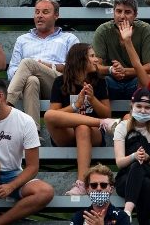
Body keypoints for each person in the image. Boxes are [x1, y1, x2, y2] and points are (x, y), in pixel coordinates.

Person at [0, 78, 55, 225]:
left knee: (45, 192)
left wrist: (11, 186)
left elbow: (33, 167)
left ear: (0, 97)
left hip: (11, 175)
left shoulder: (25, 120)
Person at [43, 43, 113, 195]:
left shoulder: (99, 81)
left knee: (82, 127)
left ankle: (81, 184)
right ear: (81, 59)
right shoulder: (60, 82)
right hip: (66, 134)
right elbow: (54, 116)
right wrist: (76, 105)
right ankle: (102, 124)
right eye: (92, 56)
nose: (96, 60)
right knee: (48, 115)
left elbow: (107, 112)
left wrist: (93, 99)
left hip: (92, 134)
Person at [6, 0, 80, 123]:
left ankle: (7, 104)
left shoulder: (69, 39)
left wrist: (49, 66)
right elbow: (11, 71)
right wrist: (26, 71)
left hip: (59, 86)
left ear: (56, 15)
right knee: (32, 80)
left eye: (45, 12)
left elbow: (76, 69)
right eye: (37, 12)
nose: (39, 15)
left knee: (28, 62)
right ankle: (34, 133)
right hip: (29, 87)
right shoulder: (22, 39)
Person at [113, 89, 150, 225]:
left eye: (147, 107)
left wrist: (147, 157)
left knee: (141, 168)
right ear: (132, 106)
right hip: (126, 177)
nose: (143, 110)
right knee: (144, 181)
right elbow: (119, 163)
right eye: (139, 106)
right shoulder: (122, 127)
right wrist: (134, 156)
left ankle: (127, 212)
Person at [93, 0, 150, 100]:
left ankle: (141, 111)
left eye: (127, 12)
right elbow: (96, 65)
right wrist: (111, 69)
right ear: (113, 12)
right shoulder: (103, 30)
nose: (122, 16)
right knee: (94, 79)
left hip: (136, 80)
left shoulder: (145, 29)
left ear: (135, 15)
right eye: (118, 11)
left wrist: (125, 71)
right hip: (110, 80)